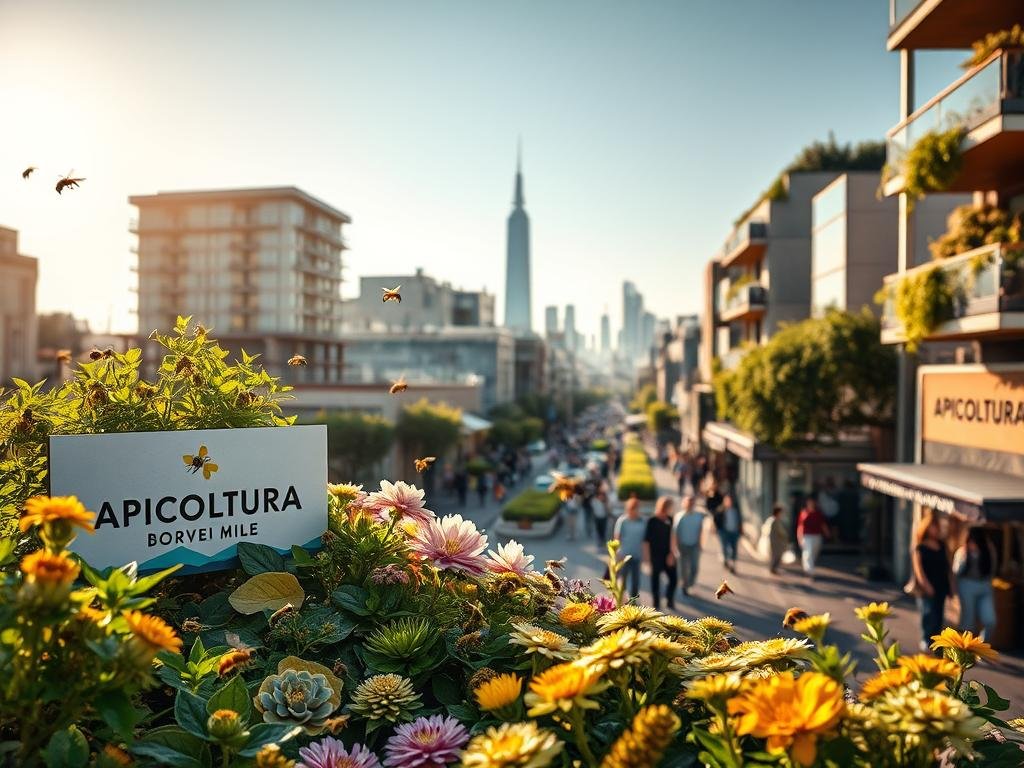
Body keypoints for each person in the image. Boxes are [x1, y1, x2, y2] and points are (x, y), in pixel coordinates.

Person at [911, 508, 951, 651]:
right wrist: (926, 585)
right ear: (927, 528)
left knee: (938, 615)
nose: (936, 530)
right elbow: (919, 570)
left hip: (941, 584)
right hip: (926, 586)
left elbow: (947, 566)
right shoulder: (920, 547)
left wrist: (951, 587)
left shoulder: (942, 545)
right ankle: (926, 639)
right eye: (934, 526)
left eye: (937, 526)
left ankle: (937, 642)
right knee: (927, 614)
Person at [953, 526, 998, 639]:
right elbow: (956, 571)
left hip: (984, 586)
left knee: (990, 620)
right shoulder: (962, 552)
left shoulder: (988, 551)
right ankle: (964, 651)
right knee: (968, 622)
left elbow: (992, 569)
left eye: (975, 542)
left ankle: (981, 647)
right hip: (966, 586)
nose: (973, 545)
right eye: (970, 541)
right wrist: (964, 557)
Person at [645, 497, 677, 610]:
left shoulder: (670, 519)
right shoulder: (652, 521)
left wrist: (672, 554)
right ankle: (656, 602)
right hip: (655, 556)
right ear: (665, 507)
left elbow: (672, 537)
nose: (672, 509)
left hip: (668, 555)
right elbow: (646, 542)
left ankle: (669, 599)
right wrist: (648, 560)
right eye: (671, 507)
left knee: (673, 579)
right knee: (655, 580)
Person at [672, 495, 707, 596]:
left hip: (695, 545)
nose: (690, 505)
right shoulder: (679, 516)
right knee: (683, 568)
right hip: (682, 545)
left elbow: (701, 530)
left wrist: (701, 543)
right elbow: (675, 533)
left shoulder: (698, 516)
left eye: (692, 503)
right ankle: (684, 585)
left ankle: (690, 583)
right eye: (688, 502)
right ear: (684, 504)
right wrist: (675, 546)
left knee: (694, 567)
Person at [613, 496, 645, 600]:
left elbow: (645, 540)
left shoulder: (642, 521)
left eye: (636, 509)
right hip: (624, 555)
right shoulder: (622, 521)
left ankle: (633, 602)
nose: (634, 511)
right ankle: (620, 601)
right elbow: (617, 539)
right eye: (632, 509)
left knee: (636, 581)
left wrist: (646, 556)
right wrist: (617, 555)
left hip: (637, 555)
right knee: (623, 581)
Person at [796, 497, 829, 579]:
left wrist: (827, 533)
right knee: (808, 552)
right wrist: (799, 536)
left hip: (817, 535)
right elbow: (800, 526)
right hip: (806, 536)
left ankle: (808, 568)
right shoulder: (803, 513)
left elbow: (822, 524)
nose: (811, 504)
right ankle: (809, 571)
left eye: (812, 502)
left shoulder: (818, 513)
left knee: (814, 552)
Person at [715, 494, 741, 573]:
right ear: (724, 501)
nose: (729, 502)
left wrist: (740, 529)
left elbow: (739, 519)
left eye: (730, 500)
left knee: (734, 549)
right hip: (724, 532)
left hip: (734, 532)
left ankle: (732, 564)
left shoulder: (735, 510)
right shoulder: (720, 510)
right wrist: (719, 529)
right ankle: (725, 560)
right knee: (725, 548)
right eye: (727, 501)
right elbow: (716, 519)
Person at [761, 503, 789, 575]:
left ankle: (773, 568)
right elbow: (780, 532)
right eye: (781, 512)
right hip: (775, 542)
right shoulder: (774, 521)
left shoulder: (772, 520)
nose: (782, 514)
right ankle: (773, 569)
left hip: (776, 542)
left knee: (776, 556)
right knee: (776, 556)